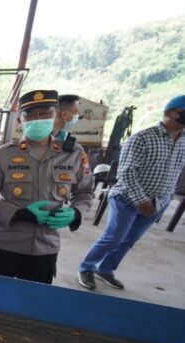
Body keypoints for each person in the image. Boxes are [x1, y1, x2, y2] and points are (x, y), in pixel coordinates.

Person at [0, 90, 94, 284]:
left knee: (32, 304)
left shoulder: (74, 153)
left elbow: (86, 192)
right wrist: (19, 213)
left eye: (44, 114)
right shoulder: (4, 154)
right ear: (20, 121)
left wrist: (76, 213)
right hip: (3, 243)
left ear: (56, 115)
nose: (37, 119)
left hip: (46, 247)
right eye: (30, 115)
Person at [78, 96, 185, 290]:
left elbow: (176, 170)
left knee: (130, 239)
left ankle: (106, 270)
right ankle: (86, 267)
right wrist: (141, 200)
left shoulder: (183, 140)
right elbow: (126, 172)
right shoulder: (143, 138)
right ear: (170, 112)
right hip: (127, 198)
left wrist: (164, 198)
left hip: (159, 201)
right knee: (114, 237)